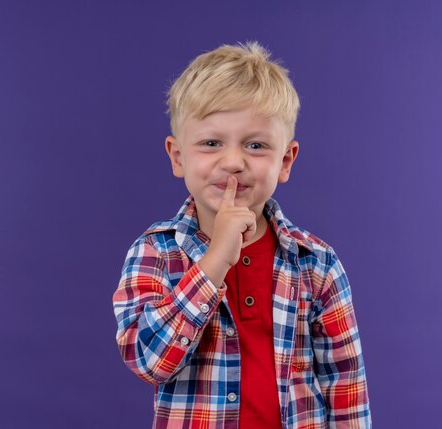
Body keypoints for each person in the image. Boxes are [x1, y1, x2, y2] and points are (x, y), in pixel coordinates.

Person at [112, 41, 371, 429]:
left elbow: (345, 384)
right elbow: (148, 361)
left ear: (285, 161)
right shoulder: (155, 252)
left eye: (256, 145)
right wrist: (213, 262)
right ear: (178, 156)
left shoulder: (317, 263)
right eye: (211, 143)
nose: (233, 162)